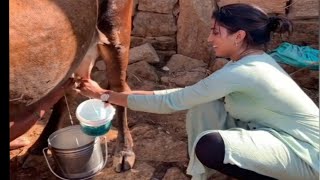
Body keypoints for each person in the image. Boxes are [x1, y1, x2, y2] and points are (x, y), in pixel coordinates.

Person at [76, 3, 319, 180]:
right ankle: (201, 173)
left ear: (239, 36)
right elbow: (183, 97)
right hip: (277, 135)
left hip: (306, 156)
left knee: (210, 145)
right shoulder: (252, 61)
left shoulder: (242, 72)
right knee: (203, 103)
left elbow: (171, 101)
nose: (208, 38)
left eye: (216, 32)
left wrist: (103, 95)